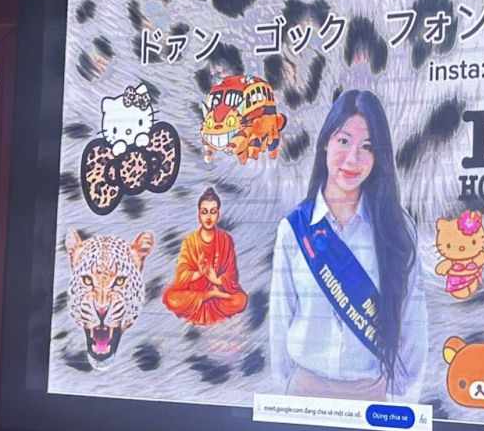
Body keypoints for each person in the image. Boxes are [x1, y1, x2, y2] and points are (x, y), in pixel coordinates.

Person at [268, 90, 427, 402]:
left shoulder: (397, 229)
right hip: (303, 393)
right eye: (343, 141)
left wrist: (404, 403)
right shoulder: (294, 229)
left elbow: (412, 322)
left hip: (371, 394)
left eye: (367, 146)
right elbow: (279, 322)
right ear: (325, 143)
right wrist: (282, 396)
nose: (353, 158)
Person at [162, 188, 248, 325]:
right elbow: (181, 276)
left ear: (218, 215)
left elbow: (232, 277)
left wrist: (215, 279)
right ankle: (208, 295)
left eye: (213, 212)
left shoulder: (225, 239)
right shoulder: (190, 240)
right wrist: (199, 273)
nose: (208, 217)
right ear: (199, 216)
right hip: (195, 294)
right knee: (170, 297)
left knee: (241, 299)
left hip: (218, 293)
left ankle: (213, 294)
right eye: (204, 212)